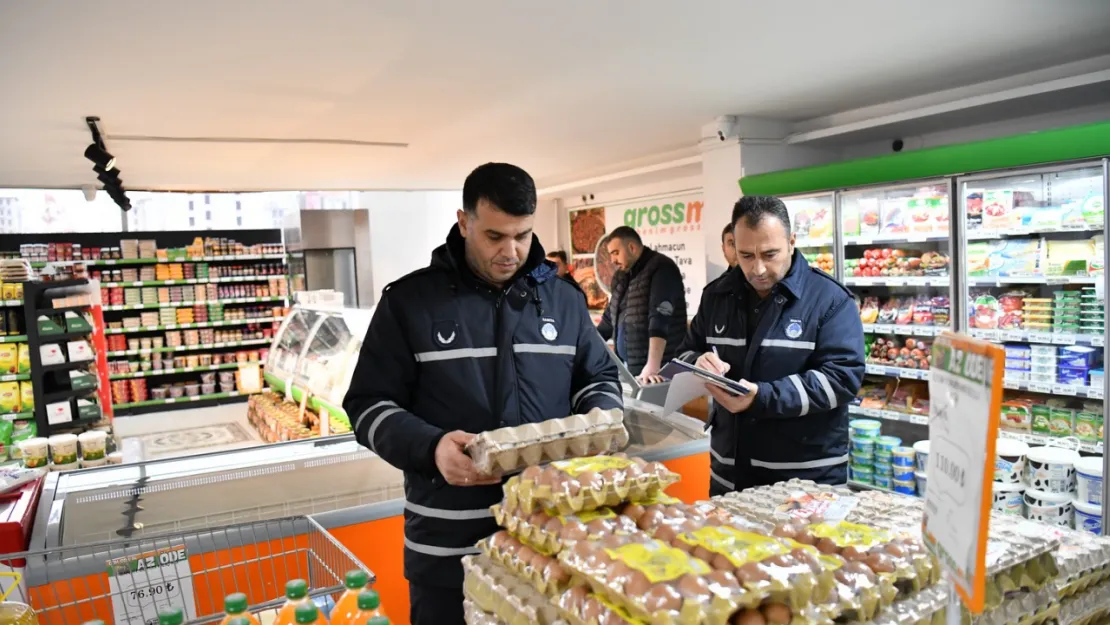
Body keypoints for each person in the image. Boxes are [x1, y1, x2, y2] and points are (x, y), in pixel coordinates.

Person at [343, 163, 622, 625]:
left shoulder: (564, 300)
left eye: (523, 235)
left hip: (547, 538)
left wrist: (596, 424)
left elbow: (598, 380)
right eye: (495, 236)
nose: (510, 251)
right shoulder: (408, 302)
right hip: (447, 544)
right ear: (464, 221)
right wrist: (431, 447)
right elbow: (367, 405)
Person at [676, 195, 864, 495]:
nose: (758, 269)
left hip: (805, 482)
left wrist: (762, 398)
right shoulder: (716, 296)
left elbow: (843, 378)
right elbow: (685, 352)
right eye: (746, 255)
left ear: (791, 242)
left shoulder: (830, 300)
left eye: (770, 253)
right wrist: (697, 363)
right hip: (730, 473)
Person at [597, 227, 687, 381]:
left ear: (632, 247)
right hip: (628, 369)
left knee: (658, 406)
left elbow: (660, 318)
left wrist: (653, 366)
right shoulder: (621, 276)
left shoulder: (662, 268)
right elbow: (609, 320)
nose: (612, 260)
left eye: (615, 253)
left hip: (658, 371)